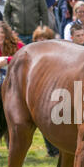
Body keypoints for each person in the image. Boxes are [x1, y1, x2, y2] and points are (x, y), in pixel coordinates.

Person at [32, 24, 59, 158]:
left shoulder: (56, 55)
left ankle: (56, 150)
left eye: (45, 38)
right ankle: (51, 150)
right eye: (39, 38)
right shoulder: (32, 59)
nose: (41, 41)